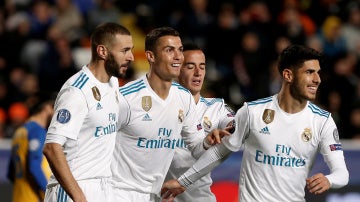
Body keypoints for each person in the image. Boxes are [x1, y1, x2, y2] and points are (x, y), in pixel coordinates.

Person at [161, 44, 349, 202]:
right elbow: (220, 152)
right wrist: (183, 182)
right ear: (288, 75)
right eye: (309, 72)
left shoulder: (323, 121)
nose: (317, 79)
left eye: (317, 73)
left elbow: (342, 173)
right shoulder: (252, 112)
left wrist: (329, 180)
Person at [111, 26, 230, 202]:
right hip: (120, 194)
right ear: (151, 56)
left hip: (156, 196)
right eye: (169, 50)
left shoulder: (184, 98)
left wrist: (207, 141)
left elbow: (196, 149)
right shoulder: (126, 98)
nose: (178, 56)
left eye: (180, 50)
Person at [42, 22, 134, 202]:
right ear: (102, 51)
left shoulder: (113, 83)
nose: (131, 57)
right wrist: (79, 198)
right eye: (124, 50)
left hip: (102, 188)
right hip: (73, 190)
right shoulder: (77, 91)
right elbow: (52, 147)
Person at [164, 42, 235, 202]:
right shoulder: (159, 107)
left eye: (202, 67)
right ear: (177, 70)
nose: (198, 73)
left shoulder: (216, 107)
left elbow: (235, 125)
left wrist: (226, 132)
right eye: (190, 66)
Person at [7, 93, 55, 202]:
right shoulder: (37, 131)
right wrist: (50, 194)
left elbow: (10, 173)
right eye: (54, 108)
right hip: (33, 198)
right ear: (47, 107)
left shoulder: (20, 131)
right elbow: (34, 167)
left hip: (19, 197)